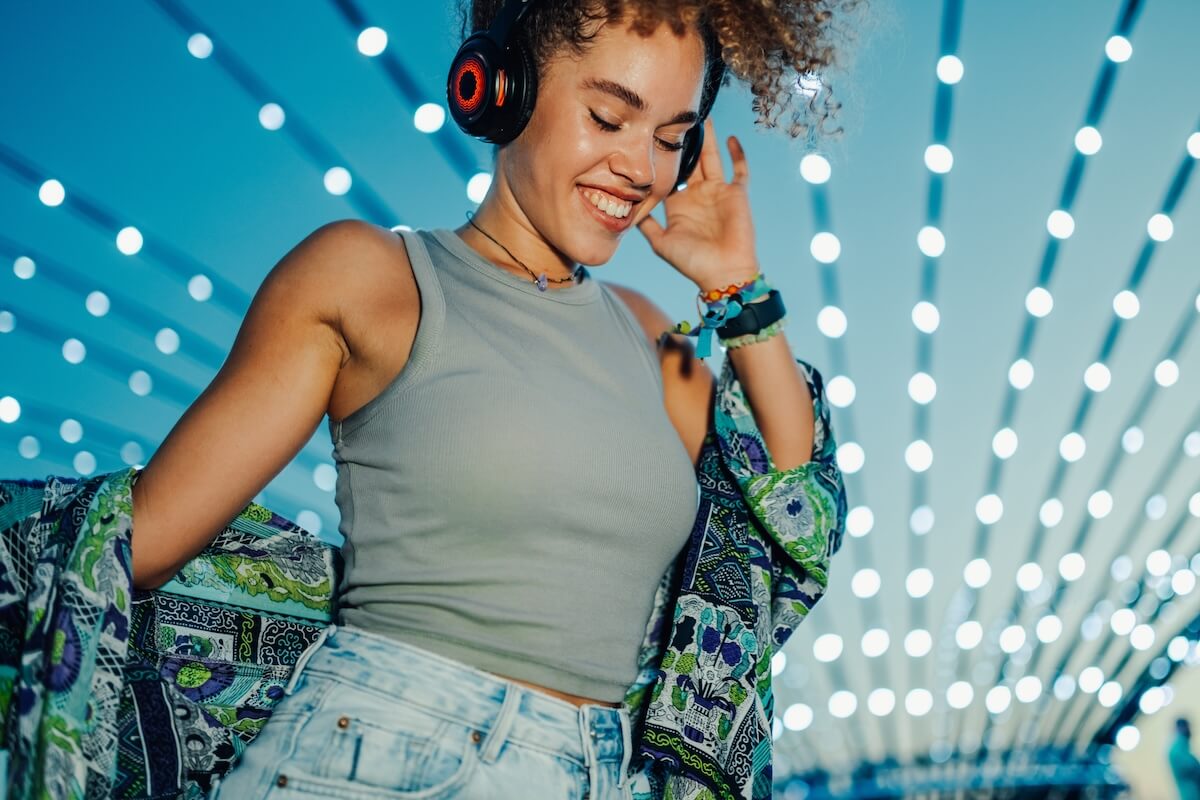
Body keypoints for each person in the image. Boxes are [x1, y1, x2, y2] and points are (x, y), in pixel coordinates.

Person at [128, 0, 855, 797]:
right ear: (498, 86)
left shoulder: (647, 336)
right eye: (609, 116)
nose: (642, 168)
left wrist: (735, 284)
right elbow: (138, 541)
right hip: (369, 757)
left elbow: (787, 508)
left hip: (598, 772)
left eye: (672, 139)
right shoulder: (369, 278)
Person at [1171, 718, 1200, 800]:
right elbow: (1192, 767)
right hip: (1193, 795)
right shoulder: (1176, 750)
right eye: (1188, 727)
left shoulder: (1181, 748)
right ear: (1181, 727)